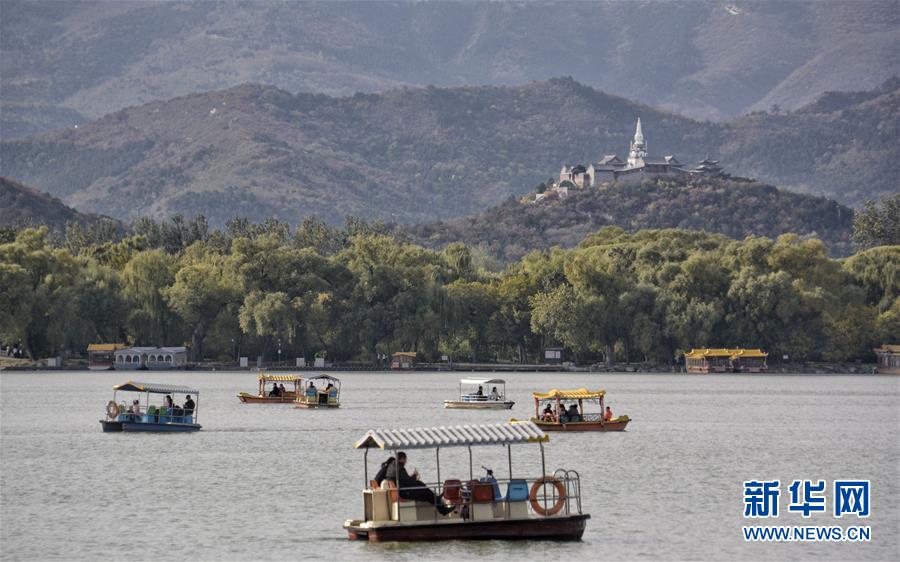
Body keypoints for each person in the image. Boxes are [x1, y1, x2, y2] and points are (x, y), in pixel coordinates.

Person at [384, 452, 454, 515]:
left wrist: (412, 477)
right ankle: (442, 509)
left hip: (402, 489)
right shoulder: (399, 468)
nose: (406, 461)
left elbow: (403, 479)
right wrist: (414, 475)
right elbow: (409, 483)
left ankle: (437, 500)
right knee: (427, 493)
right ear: (402, 459)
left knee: (421, 486)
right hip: (404, 493)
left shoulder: (391, 466)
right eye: (405, 460)